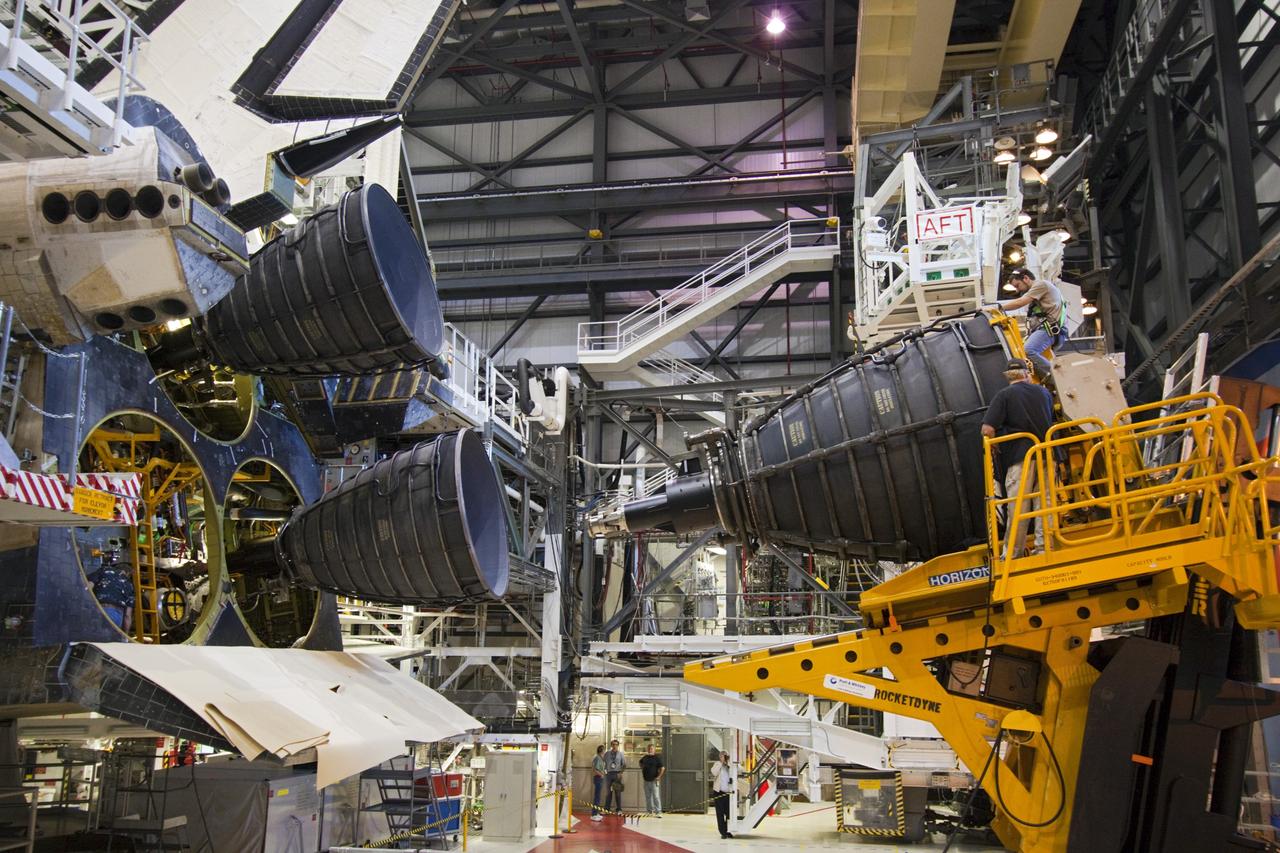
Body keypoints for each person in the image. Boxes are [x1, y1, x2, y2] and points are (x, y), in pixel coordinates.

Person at [982, 358, 1055, 557]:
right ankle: (1044, 547)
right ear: (1026, 374)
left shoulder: (1004, 395)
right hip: (1048, 454)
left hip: (1020, 456)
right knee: (1045, 503)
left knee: (1019, 504)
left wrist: (995, 446)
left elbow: (987, 429)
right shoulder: (1044, 393)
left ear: (1008, 377)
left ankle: (1013, 552)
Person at [997, 268, 1071, 380]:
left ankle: (1059, 380)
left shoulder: (1041, 285)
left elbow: (1020, 302)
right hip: (1049, 331)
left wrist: (998, 308)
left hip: (1048, 331)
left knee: (1028, 351)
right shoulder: (1039, 292)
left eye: (1017, 285)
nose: (1017, 290)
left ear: (1026, 278)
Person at [87, 550, 134, 632]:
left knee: (94, 640)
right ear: (127, 573)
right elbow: (127, 616)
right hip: (116, 615)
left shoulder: (104, 570)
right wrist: (125, 637)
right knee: (109, 643)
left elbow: (88, 586)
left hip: (99, 609)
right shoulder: (129, 585)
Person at [710, 751, 734, 839]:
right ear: (720, 757)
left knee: (729, 813)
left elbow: (740, 770)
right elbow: (714, 772)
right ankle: (723, 832)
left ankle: (728, 830)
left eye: (726, 756)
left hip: (728, 793)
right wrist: (721, 763)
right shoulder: (717, 764)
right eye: (722, 756)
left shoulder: (730, 765)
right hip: (718, 792)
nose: (724, 758)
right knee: (720, 814)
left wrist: (729, 763)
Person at [639, 743, 665, 816]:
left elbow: (662, 768)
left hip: (654, 781)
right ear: (648, 749)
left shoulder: (657, 758)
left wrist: (658, 777)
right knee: (648, 797)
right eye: (649, 749)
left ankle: (658, 812)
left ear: (654, 750)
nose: (650, 750)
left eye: (652, 749)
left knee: (656, 796)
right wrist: (643, 768)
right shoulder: (645, 757)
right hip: (646, 781)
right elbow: (640, 763)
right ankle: (649, 811)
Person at [603, 739, 626, 815]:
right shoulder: (607, 754)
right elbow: (603, 763)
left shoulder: (621, 754)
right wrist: (605, 771)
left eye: (616, 744)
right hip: (609, 775)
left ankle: (619, 810)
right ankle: (607, 809)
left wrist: (621, 772)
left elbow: (624, 765)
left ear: (618, 745)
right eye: (613, 744)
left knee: (618, 793)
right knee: (608, 793)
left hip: (617, 775)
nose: (614, 746)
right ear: (611, 745)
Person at [591, 744, 606, 821]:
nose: (605, 752)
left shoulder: (600, 758)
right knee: (597, 797)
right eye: (604, 750)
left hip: (600, 778)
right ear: (602, 751)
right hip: (598, 778)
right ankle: (594, 814)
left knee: (598, 796)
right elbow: (595, 770)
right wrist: (601, 774)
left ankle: (596, 812)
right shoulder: (597, 758)